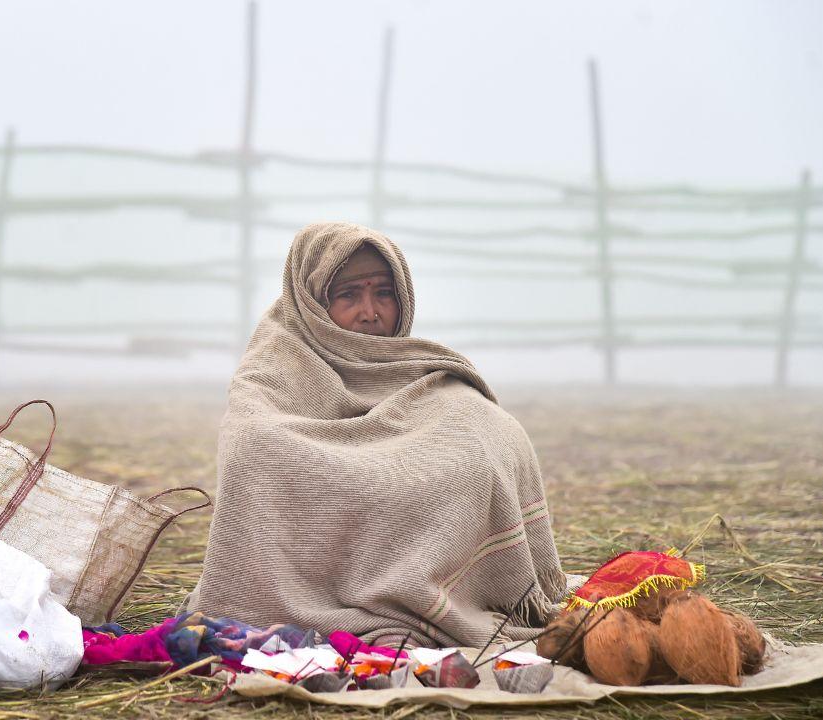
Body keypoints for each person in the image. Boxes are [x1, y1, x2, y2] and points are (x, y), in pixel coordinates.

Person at [186, 221, 566, 648]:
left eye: (383, 293)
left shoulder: (418, 369)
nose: (370, 312)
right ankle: (372, 594)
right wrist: (342, 470)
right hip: (297, 584)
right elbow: (252, 445)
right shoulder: (276, 364)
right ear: (311, 299)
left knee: (488, 433)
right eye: (349, 295)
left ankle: (445, 593)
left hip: (444, 580)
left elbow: (488, 431)